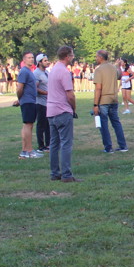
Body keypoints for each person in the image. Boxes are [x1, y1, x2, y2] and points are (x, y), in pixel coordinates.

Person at [48, 46, 79, 182]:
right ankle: (66, 175)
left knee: (54, 144)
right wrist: (73, 108)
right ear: (67, 56)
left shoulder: (53, 70)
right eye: (72, 55)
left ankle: (54, 173)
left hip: (51, 111)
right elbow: (70, 95)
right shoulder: (64, 72)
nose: (72, 58)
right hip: (62, 110)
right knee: (66, 143)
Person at [92, 50, 128, 153]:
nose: (96, 58)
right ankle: (123, 146)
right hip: (114, 99)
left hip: (103, 100)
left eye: (96, 57)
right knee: (116, 123)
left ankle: (108, 147)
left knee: (104, 124)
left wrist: (95, 104)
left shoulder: (99, 70)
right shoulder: (113, 68)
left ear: (101, 57)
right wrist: (118, 66)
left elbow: (98, 88)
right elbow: (119, 76)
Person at [16, 52, 41, 159]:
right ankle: (29, 150)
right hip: (28, 101)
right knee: (28, 125)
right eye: (29, 58)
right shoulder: (24, 71)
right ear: (24, 60)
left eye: (32, 57)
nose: (31, 59)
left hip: (30, 100)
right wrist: (20, 99)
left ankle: (25, 151)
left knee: (28, 125)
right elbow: (20, 88)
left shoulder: (29, 71)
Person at [33, 54, 51, 152]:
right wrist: (47, 93)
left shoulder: (47, 72)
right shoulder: (36, 73)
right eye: (45, 61)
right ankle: (41, 145)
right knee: (41, 124)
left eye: (47, 60)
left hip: (48, 102)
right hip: (40, 102)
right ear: (39, 62)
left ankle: (48, 144)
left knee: (48, 124)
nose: (47, 62)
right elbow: (35, 88)